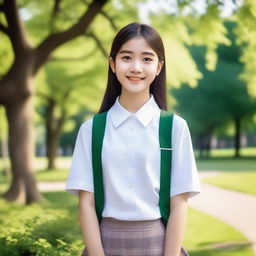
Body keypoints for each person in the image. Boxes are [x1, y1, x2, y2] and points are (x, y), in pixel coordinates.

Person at [65, 22, 200, 256]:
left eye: (147, 59)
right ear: (112, 63)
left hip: (158, 244)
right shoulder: (91, 130)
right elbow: (86, 202)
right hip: (104, 244)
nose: (136, 67)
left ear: (159, 67)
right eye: (126, 57)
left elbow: (179, 203)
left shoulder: (174, 128)